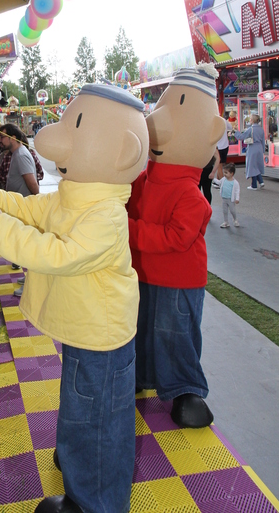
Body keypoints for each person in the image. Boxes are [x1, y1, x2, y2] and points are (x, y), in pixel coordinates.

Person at [0, 83, 149, 513]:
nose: (52, 136)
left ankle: (96, 502)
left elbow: (62, 255)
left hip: (103, 338)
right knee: (81, 407)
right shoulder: (74, 197)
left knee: (100, 423)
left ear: (122, 153)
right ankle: (79, 470)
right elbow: (28, 209)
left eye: (74, 126)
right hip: (85, 331)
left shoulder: (106, 215)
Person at [128, 64, 225, 429]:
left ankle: (186, 389)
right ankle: (139, 376)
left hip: (178, 280)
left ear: (211, 132)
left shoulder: (189, 193)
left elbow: (175, 238)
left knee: (175, 333)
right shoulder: (142, 178)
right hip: (141, 274)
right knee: (139, 327)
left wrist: (128, 230)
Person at [0, 123, 40, 297]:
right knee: (23, 245)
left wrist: (37, 205)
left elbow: (32, 184)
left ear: (13, 138)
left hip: (26, 208)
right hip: (21, 207)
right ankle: (29, 278)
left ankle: (32, 284)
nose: (0, 140)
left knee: (27, 246)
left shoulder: (21, 155)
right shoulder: (16, 154)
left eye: (3, 137)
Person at [233, 114, 265, 190]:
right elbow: (263, 141)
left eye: (250, 119)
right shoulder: (261, 129)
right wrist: (263, 150)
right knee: (256, 165)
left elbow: (241, 137)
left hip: (252, 147)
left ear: (252, 120)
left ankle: (254, 185)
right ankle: (260, 181)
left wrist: (235, 132)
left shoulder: (251, 129)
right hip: (259, 147)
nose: (249, 120)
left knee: (251, 166)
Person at [219, 163, 240, 228]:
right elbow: (219, 182)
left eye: (226, 172)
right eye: (224, 172)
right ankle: (226, 222)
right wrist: (213, 179)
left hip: (231, 199)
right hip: (224, 198)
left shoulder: (235, 182)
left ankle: (235, 219)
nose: (224, 174)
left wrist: (237, 199)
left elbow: (237, 191)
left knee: (232, 210)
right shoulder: (223, 179)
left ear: (232, 174)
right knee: (224, 211)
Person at [213, 114, 230, 184]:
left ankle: (223, 183)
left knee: (219, 166)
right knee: (221, 164)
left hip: (218, 147)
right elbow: (231, 127)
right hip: (225, 145)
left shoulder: (214, 123)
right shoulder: (224, 120)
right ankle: (218, 180)